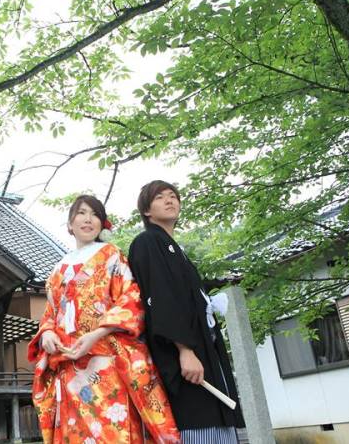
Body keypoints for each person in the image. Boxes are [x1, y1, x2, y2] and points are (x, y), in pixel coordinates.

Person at [28, 194, 179, 443]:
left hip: (106, 357)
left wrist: (96, 334)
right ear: (69, 224)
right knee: (75, 431)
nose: (88, 220)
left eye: (95, 214)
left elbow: (131, 298)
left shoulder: (111, 255)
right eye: (82, 213)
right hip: (69, 362)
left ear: (102, 223)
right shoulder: (58, 269)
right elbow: (51, 313)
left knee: (112, 428)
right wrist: (47, 333)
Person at [128, 181, 244, 444]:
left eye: (173, 196)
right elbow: (161, 297)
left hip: (204, 351)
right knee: (198, 421)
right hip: (183, 353)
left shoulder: (174, 248)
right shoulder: (147, 242)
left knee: (217, 419)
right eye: (160, 197)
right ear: (146, 210)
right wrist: (184, 350)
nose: (170, 200)